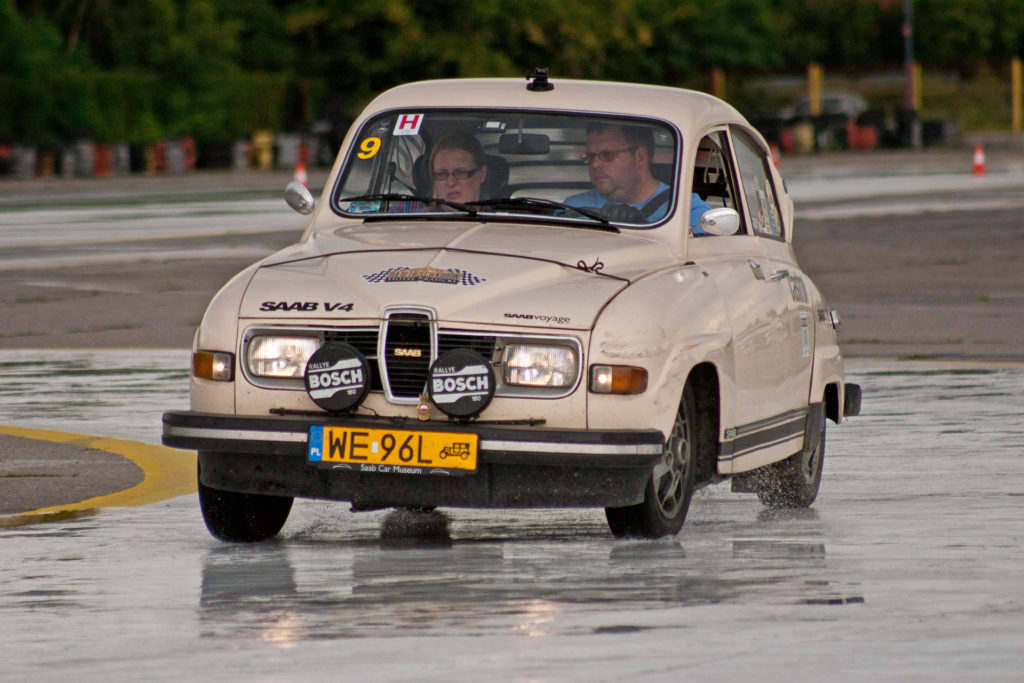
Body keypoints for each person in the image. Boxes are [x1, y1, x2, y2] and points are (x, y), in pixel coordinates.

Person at [564, 123, 711, 228]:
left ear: (640, 157)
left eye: (607, 154)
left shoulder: (688, 211)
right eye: (590, 156)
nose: (594, 164)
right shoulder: (572, 208)